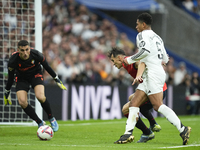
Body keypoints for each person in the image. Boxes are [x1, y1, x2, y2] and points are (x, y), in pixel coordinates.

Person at [115, 13, 191, 145]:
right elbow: (166, 59)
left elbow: (145, 51)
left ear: (143, 24)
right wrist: (157, 61)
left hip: (152, 74)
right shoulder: (158, 37)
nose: (136, 26)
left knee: (157, 105)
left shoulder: (142, 35)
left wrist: (129, 59)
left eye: (138, 23)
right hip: (153, 72)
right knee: (133, 104)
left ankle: (182, 128)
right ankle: (127, 134)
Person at [4, 40, 67, 132]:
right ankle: (40, 122)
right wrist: (7, 91)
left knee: (40, 96)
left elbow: (47, 67)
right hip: (21, 78)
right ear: (18, 50)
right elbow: (10, 78)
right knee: (22, 102)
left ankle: (51, 118)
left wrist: (56, 79)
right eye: (22, 50)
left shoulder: (37, 55)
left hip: (35, 75)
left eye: (27, 49)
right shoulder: (13, 61)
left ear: (29, 48)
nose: (25, 53)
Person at [108, 47, 167, 143]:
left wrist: (139, 75)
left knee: (127, 108)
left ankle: (147, 131)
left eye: (113, 60)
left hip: (156, 89)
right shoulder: (127, 63)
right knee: (133, 100)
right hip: (155, 88)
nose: (113, 64)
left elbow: (140, 63)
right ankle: (152, 125)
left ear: (119, 58)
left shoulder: (129, 61)